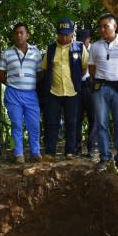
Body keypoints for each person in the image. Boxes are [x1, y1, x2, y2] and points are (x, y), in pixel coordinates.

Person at [89, 14, 118, 172]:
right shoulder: (95, 46)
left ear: (115, 26)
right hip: (101, 88)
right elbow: (92, 68)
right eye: (100, 26)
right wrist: (103, 80)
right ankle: (104, 158)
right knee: (101, 124)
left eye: (106, 26)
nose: (102, 29)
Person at [41, 17, 88, 161]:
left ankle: (70, 153)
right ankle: (50, 153)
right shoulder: (50, 49)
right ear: (57, 33)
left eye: (67, 34)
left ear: (72, 33)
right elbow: (45, 69)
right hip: (54, 92)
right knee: (52, 123)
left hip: (72, 92)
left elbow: (84, 67)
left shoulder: (79, 47)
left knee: (72, 123)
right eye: (61, 34)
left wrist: (75, 81)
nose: (64, 37)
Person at [0, 23, 43, 164]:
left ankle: (35, 153)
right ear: (13, 35)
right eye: (16, 33)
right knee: (16, 124)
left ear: (27, 35)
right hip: (13, 94)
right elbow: (0, 74)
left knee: (34, 124)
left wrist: (28, 83)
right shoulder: (6, 53)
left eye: (22, 32)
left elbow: (40, 73)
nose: (19, 35)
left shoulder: (36, 52)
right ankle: (19, 154)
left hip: (31, 94)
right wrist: (14, 84)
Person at [75, 28, 98, 157]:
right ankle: (76, 148)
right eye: (80, 40)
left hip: (92, 86)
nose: (82, 43)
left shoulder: (96, 50)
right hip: (77, 86)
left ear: (89, 39)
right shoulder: (74, 49)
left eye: (84, 40)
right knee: (76, 118)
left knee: (93, 118)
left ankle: (92, 148)